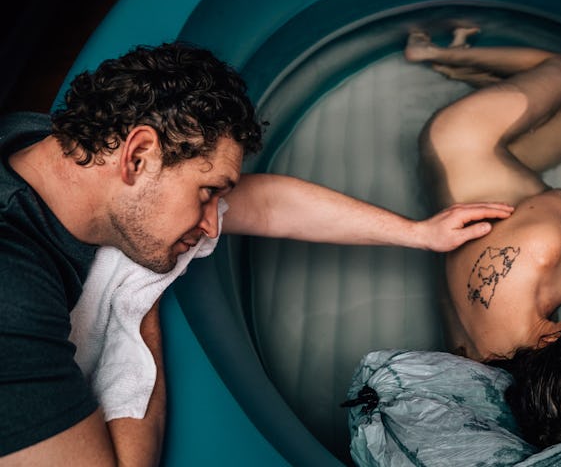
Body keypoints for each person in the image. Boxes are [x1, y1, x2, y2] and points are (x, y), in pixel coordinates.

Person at [0, 42, 513, 466]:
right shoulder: (12, 299)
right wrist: (141, 300)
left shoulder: (38, 144)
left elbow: (263, 203)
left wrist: (420, 233)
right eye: (206, 192)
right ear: (137, 155)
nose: (208, 225)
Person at [406, 28, 561, 448]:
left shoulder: (536, 251)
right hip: (486, 179)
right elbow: (447, 291)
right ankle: (466, 73)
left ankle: (431, 51)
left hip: (462, 139)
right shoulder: (487, 360)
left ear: (557, 341)